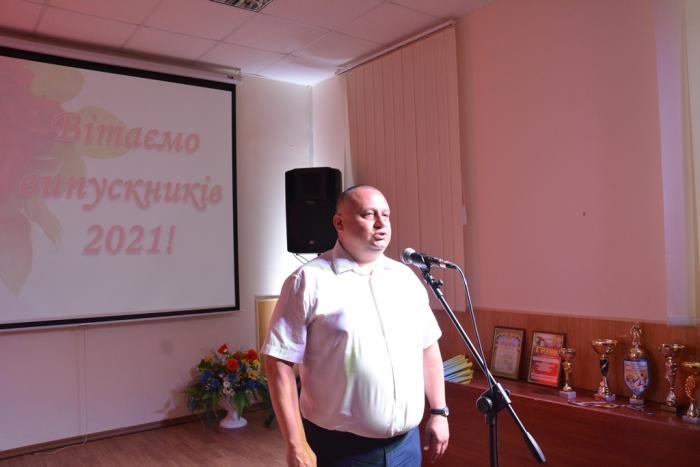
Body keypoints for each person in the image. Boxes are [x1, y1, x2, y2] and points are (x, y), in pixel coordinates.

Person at [262, 185, 449, 467]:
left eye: (386, 215)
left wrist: (439, 411)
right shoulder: (308, 280)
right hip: (342, 451)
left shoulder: (406, 279)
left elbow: (428, 347)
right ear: (339, 223)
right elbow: (278, 363)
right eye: (368, 214)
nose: (381, 223)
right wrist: (296, 444)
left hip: (407, 447)